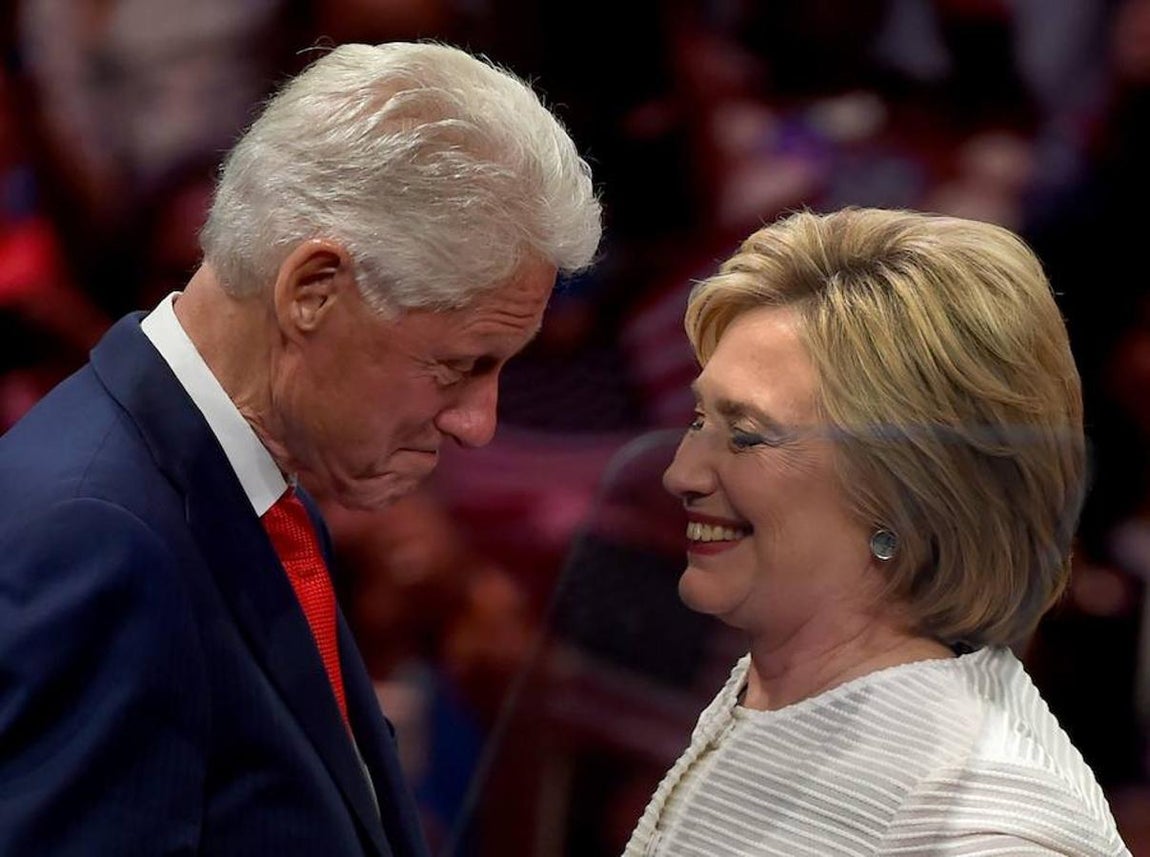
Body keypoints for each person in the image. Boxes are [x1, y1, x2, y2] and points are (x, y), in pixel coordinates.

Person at [0, 40, 600, 856]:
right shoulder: (101, 537)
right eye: (460, 365)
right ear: (312, 291)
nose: (478, 423)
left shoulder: (248, 485)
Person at [622, 207, 1131, 855]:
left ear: (909, 494)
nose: (681, 473)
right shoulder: (777, 688)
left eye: (746, 435)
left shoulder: (990, 829)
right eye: (700, 421)